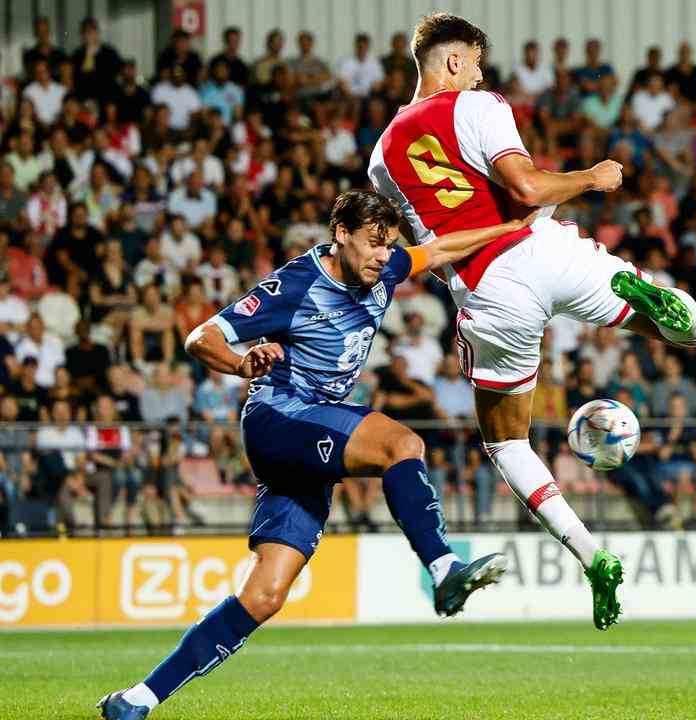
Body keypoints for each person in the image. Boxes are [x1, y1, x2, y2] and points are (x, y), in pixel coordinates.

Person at [96, 190, 528, 719]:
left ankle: (137, 699)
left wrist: (510, 227)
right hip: (280, 419)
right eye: (372, 243)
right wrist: (239, 364)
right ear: (340, 232)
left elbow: (439, 251)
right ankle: (442, 569)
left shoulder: (387, 267)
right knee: (402, 444)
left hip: (309, 436)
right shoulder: (296, 284)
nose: (381, 254)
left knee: (264, 596)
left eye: (387, 244)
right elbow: (198, 337)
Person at [366, 13, 696, 631]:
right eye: (474, 61)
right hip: (547, 250)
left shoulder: (382, 158)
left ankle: (591, 556)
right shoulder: (476, 105)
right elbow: (523, 188)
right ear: (452, 62)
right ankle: (645, 295)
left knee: (507, 442)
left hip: (487, 290)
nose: (479, 72)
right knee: (695, 332)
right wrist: (592, 177)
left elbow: (444, 229)